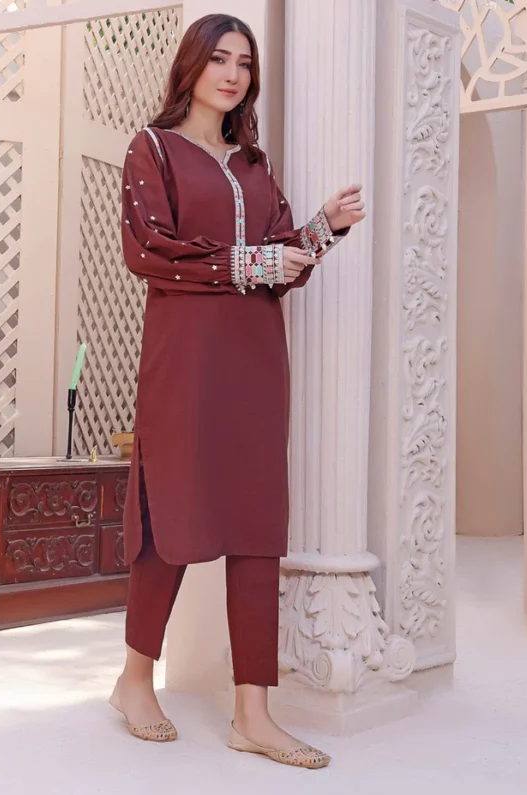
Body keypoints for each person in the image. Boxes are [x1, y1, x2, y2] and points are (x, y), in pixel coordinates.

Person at [110, 12, 365, 770]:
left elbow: (282, 261)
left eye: (244, 64)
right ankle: (134, 680)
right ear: (191, 66)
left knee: (257, 524)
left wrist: (321, 230)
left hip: (256, 363)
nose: (231, 74)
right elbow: (148, 251)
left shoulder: (253, 163)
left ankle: (253, 712)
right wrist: (252, 263)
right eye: (219, 59)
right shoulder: (152, 149)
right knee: (169, 514)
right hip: (185, 362)